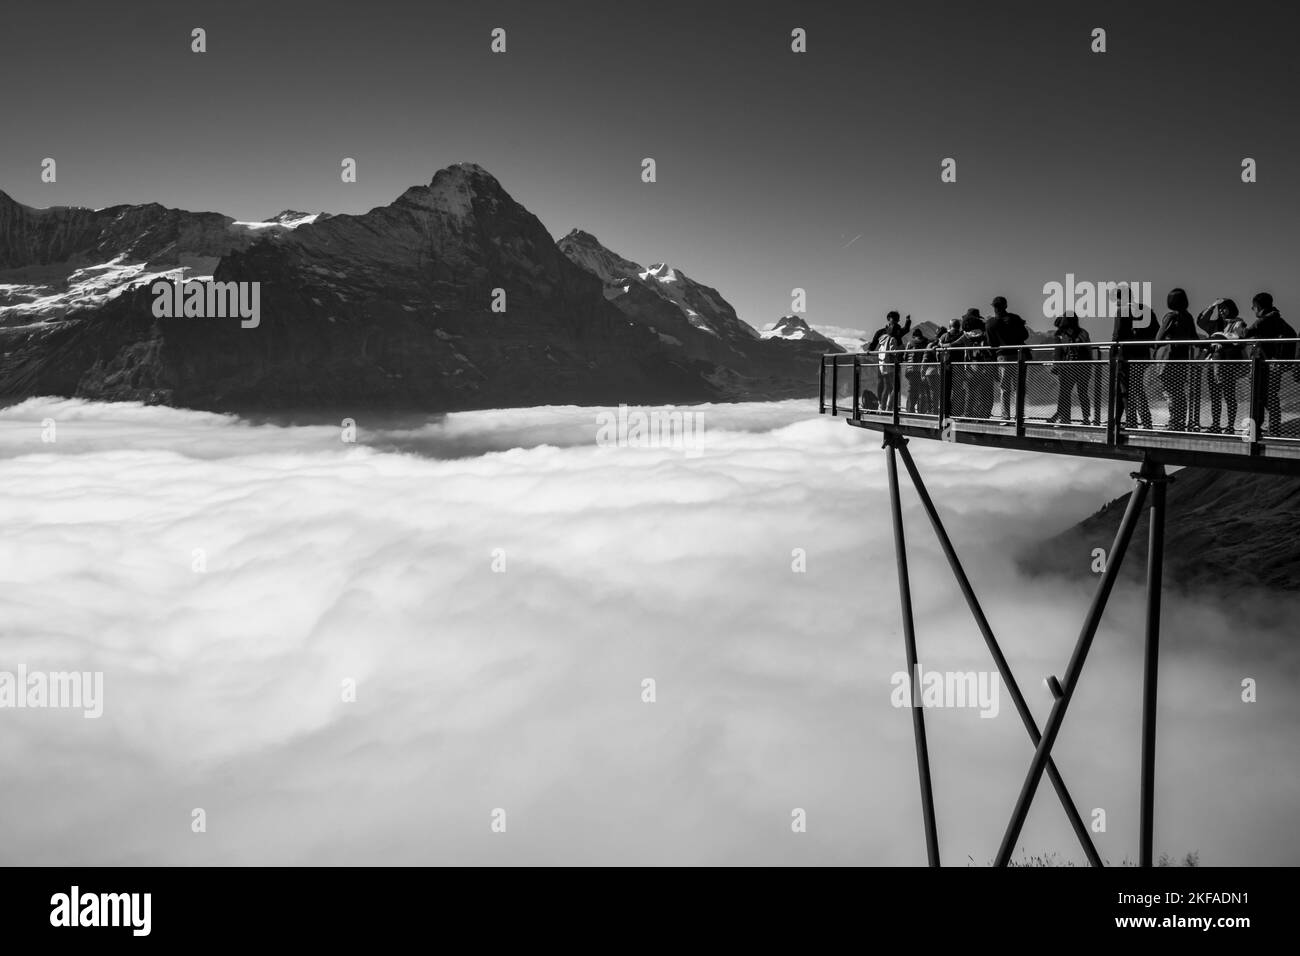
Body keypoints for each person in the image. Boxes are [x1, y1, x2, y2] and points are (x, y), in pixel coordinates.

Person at [1243, 292, 1297, 436]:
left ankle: (1260, 428)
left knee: (1260, 397)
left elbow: (1246, 333)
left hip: (1264, 365)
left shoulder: (1265, 320)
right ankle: (1273, 427)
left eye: (1253, 307)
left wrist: (1239, 328)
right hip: (1273, 365)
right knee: (1270, 396)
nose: (1252, 309)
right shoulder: (1278, 320)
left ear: (1258, 307)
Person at [1197, 298, 1248, 433]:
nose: (1221, 311)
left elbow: (1238, 341)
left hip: (1228, 364)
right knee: (1215, 397)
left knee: (1229, 396)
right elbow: (1201, 322)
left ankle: (1230, 426)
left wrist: (1222, 340)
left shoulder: (1238, 323)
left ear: (1232, 308)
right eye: (1220, 308)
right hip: (1212, 362)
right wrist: (1211, 306)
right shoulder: (1216, 324)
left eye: (1224, 308)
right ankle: (1215, 425)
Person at [1154, 288, 1199, 431]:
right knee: (1179, 391)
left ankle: (1173, 421)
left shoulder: (1171, 317)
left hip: (1169, 359)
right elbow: (1194, 338)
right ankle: (1179, 421)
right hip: (1183, 358)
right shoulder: (1188, 316)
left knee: (1170, 391)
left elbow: (1158, 338)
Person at [985, 296, 1030, 421]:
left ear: (994, 307)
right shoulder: (1015, 319)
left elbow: (991, 344)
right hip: (1019, 355)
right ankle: (1019, 416)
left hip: (1003, 357)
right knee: (1018, 387)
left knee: (1004, 388)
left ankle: (1005, 417)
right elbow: (1025, 335)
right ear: (1005, 306)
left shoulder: (990, 323)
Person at [1112, 307, 1155, 429]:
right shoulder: (1144, 310)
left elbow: (1117, 333)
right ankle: (1146, 422)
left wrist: (1113, 352)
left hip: (1126, 356)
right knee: (1137, 388)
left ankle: (1132, 421)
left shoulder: (1122, 311)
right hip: (1142, 355)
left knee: (1126, 391)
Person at [1048, 313, 1094, 424]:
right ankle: (1080, 418)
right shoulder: (1081, 333)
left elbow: (1057, 353)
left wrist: (1056, 365)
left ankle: (1066, 418)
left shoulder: (1061, 335)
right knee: (1076, 392)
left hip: (1071, 367)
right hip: (1080, 367)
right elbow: (1088, 350)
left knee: (1067, 392)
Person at [866, 311, 911, 411]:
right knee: (895, 387)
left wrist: (869, 350)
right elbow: (906, 330)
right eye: (895, 318)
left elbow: (873, 344)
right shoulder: (896, 333)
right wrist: (907, 321)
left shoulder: (881, 333)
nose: (895, 321)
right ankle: (890, 408)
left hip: (882, 362)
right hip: (893, 363)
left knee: (886, 386)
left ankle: (882, 407)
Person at [903, 328, 932, 413]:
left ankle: (910, 410)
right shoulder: (925, 343)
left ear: (914, 336)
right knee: (922, 390)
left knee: (911, 390)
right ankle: (921, 410)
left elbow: (905, 356)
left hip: (910, 370)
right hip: (921, 370)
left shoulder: (910, 343)